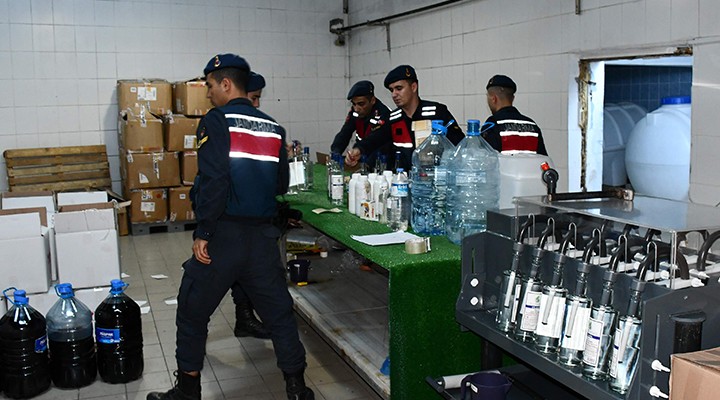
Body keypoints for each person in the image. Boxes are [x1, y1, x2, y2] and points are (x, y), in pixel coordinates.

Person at [147, 54, 314, 400]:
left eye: (210, 85)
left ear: (226, 84)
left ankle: (188, 391)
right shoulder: (273, 127)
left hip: (223, 237)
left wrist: (203, 232)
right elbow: (280, 185)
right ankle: (298, 389)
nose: (208, 93)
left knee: (192, 310)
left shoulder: (217, 120)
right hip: (263, 240)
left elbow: (214, 180)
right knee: (280, 315)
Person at [345, 65, 464, 171]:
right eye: (391, 90)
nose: (394, 94)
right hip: (402, 181)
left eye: (399, 88)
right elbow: (374, 139)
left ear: (413, 87)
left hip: (434, 181)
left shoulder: (436, 113)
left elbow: (460, 144)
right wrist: (358, 150)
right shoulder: (393, 119)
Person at [228, 70, 272, 340]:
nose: (256, 105)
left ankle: (244, 316)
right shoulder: (227, 124)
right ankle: (244, 317)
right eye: (253, 98)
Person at [482, 74, 548, 155]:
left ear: (493, 99)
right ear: (513, 98)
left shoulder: (492, 124)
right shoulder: (532, 125)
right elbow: (542, 159)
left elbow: (486, 159)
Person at [330, 80, 391, 167]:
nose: (356, 109)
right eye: (354, 104)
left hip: (380, 161)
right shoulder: (355, 112)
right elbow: (345, 132)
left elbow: (375, 139)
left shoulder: (384, 114)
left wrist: (358, 149)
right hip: (361, 155)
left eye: (361, 104)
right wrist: (336, 152)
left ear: (372, 100)